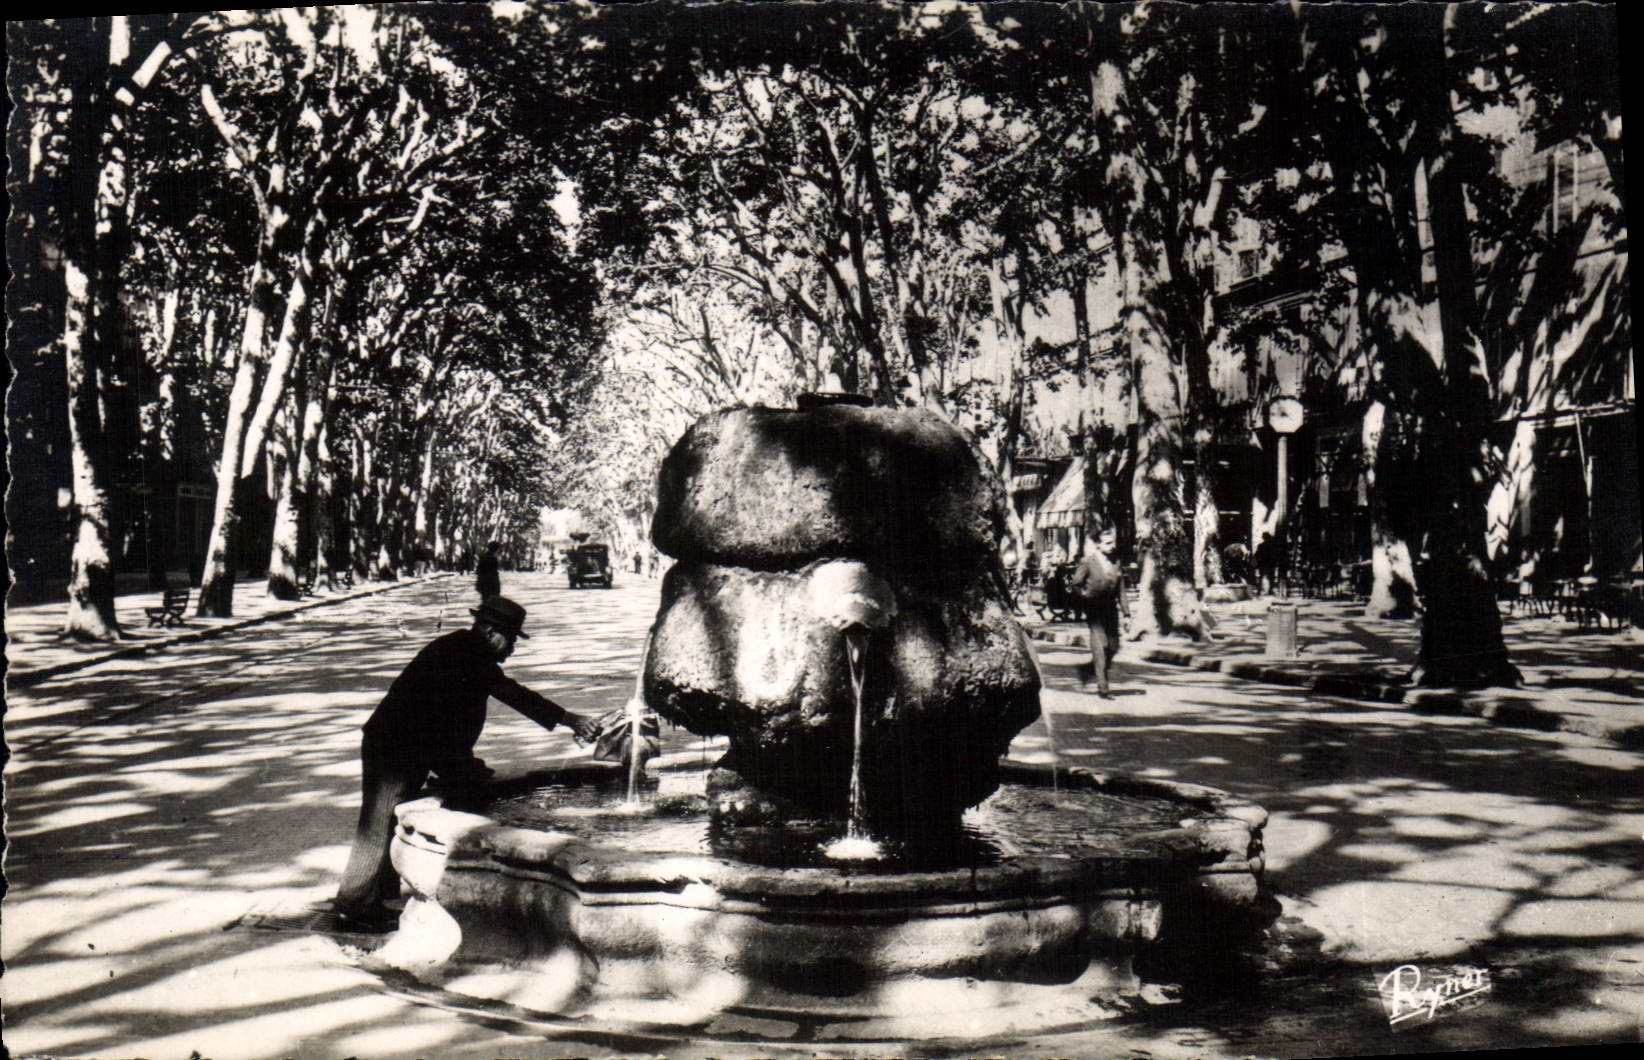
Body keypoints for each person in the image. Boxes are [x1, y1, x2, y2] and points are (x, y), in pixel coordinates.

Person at [332, 596, 600, 930]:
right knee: (376, 825)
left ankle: (375, 899)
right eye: (511, 638)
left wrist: (462, 765)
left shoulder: (465, 648)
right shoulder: (470, 653)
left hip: (410, 742)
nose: (512, 647)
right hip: (394, 744)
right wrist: (569, 718)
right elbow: (512, 694)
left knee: (389, 821)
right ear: (490, 631)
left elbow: (445, 719)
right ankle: (352, 905)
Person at [1067, 532, 1128, 697]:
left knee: (1113, 647)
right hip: (1094, 609)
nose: (1112, 546)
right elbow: (1076, 584)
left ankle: (1087, 669)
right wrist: (1085, 598)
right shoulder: (1088, 562)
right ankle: (1103, 686)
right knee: (1101, 646)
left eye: (1113, 542)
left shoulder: (1116, 562)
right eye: (1107, 543)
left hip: (1111, 610)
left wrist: (1127, 614)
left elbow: (1121, 590)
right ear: (1099, 545)